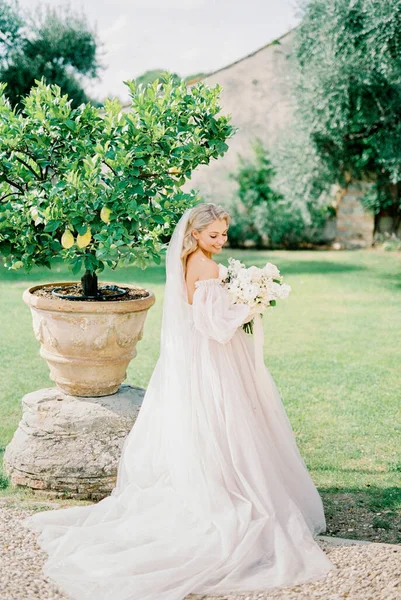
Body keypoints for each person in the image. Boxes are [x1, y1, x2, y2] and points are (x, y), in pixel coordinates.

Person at [22, 202, 335, 600]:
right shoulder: (201, 265)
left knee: (220, 424)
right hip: (215, 358)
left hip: (204, 357)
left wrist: (243, 292)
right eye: (213, 235)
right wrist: (249, 306)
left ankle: (223, 479)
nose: (221, 242)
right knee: (226, 421)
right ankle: (228, 487)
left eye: (224, 234)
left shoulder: (193, 259)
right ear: (195, 234)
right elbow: (211, 325)